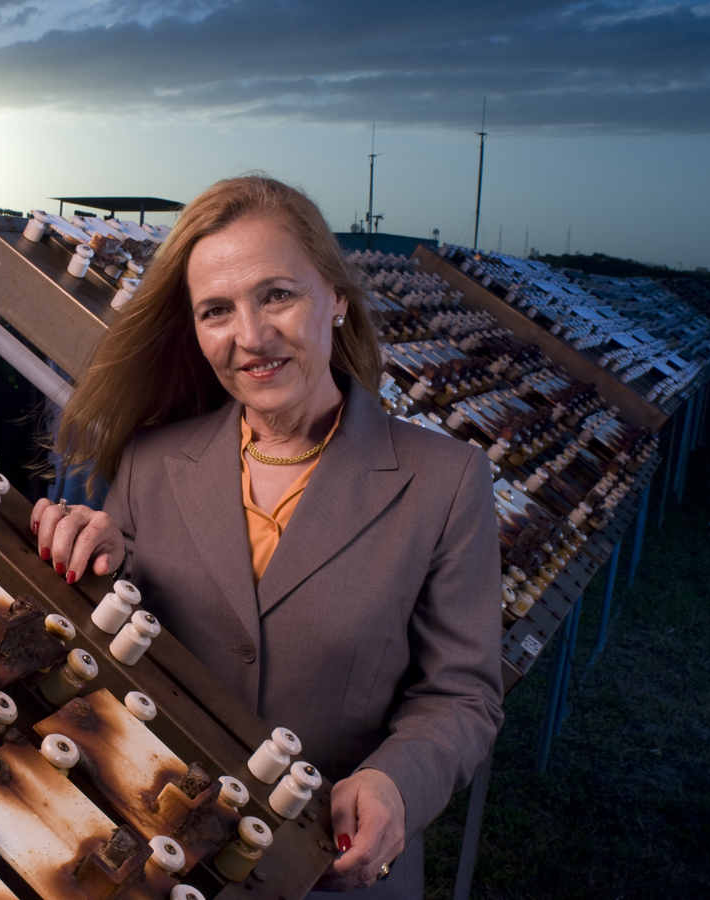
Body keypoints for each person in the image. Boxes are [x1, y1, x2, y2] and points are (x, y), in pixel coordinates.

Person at [29, 176, 503, 897]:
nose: (250, 336)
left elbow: (461, 694)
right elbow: (122, 648)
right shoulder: (152, 461)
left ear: (336, 298)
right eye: (216, 310)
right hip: (157, 854)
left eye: (276, 294)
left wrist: (396, 781)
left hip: (327, 873)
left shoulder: (444, 480)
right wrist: (98, 563)